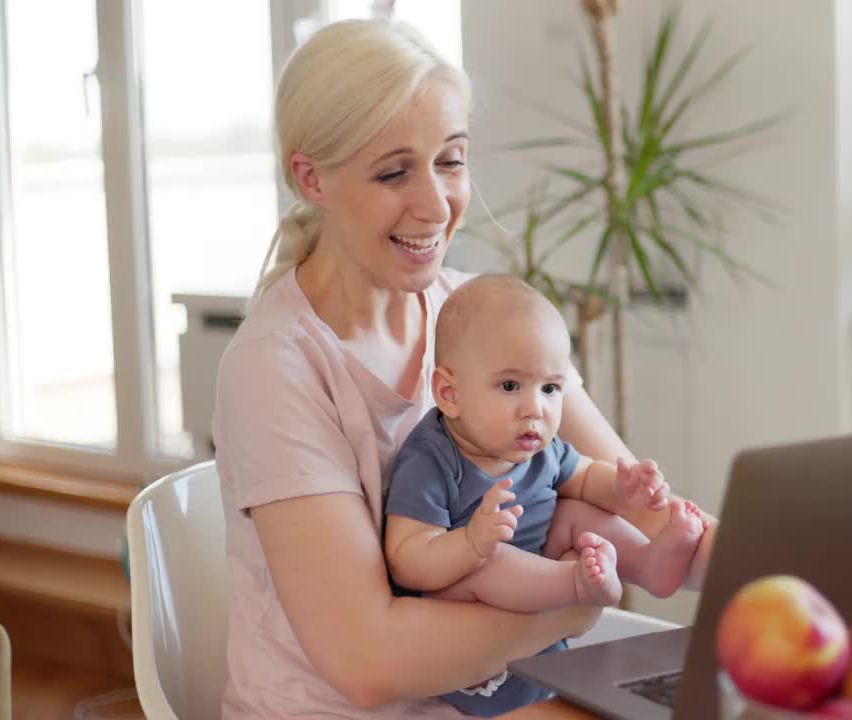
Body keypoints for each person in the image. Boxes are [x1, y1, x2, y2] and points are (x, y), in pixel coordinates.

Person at [211, 17, 717, 718]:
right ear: (311, 177)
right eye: (393, 172)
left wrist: (782, 563)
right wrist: (573, 606)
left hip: (500, 693)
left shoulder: (478, 316)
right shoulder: (277, 369)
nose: (436, 203)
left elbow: (649, 513)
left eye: (450, 160)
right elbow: (368, 663)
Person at [383, 275, 707, 715]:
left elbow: (586, 477)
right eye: (511, 386)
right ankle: (577, 584)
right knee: (486, 562)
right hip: (475, 654)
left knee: (572, 511)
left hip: (544, 649)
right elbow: (406, 557)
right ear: (449, 393)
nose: (535, 408)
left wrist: (624, 488)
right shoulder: (431, 460)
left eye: (551, 388)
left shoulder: (539, 449)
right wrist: (471, 543)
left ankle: (649, 564)